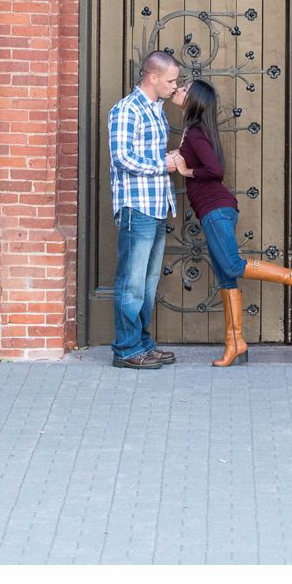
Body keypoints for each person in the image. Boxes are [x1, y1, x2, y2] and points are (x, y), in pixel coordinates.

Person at [172, 76, 292, 367]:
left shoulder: (197, 132)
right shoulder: (193, 131)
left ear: (194, 99)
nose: (178, 90)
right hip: (213, 211)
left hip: (216, 209)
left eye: (184, 88)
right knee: (226, 276)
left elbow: (215, 170)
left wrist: (186, 172)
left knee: (232, 266)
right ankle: (235, 343)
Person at [107, 48, 185, 371]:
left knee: (149, 281)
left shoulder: (156, 108)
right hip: (135, 207)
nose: (175, 86)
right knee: (132, 281)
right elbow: (122, 157)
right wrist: (163, 164)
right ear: (152, 77)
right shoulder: (127, 111)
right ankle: (126, 349)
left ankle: (141, 342)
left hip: (156, 205)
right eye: (171, 80)